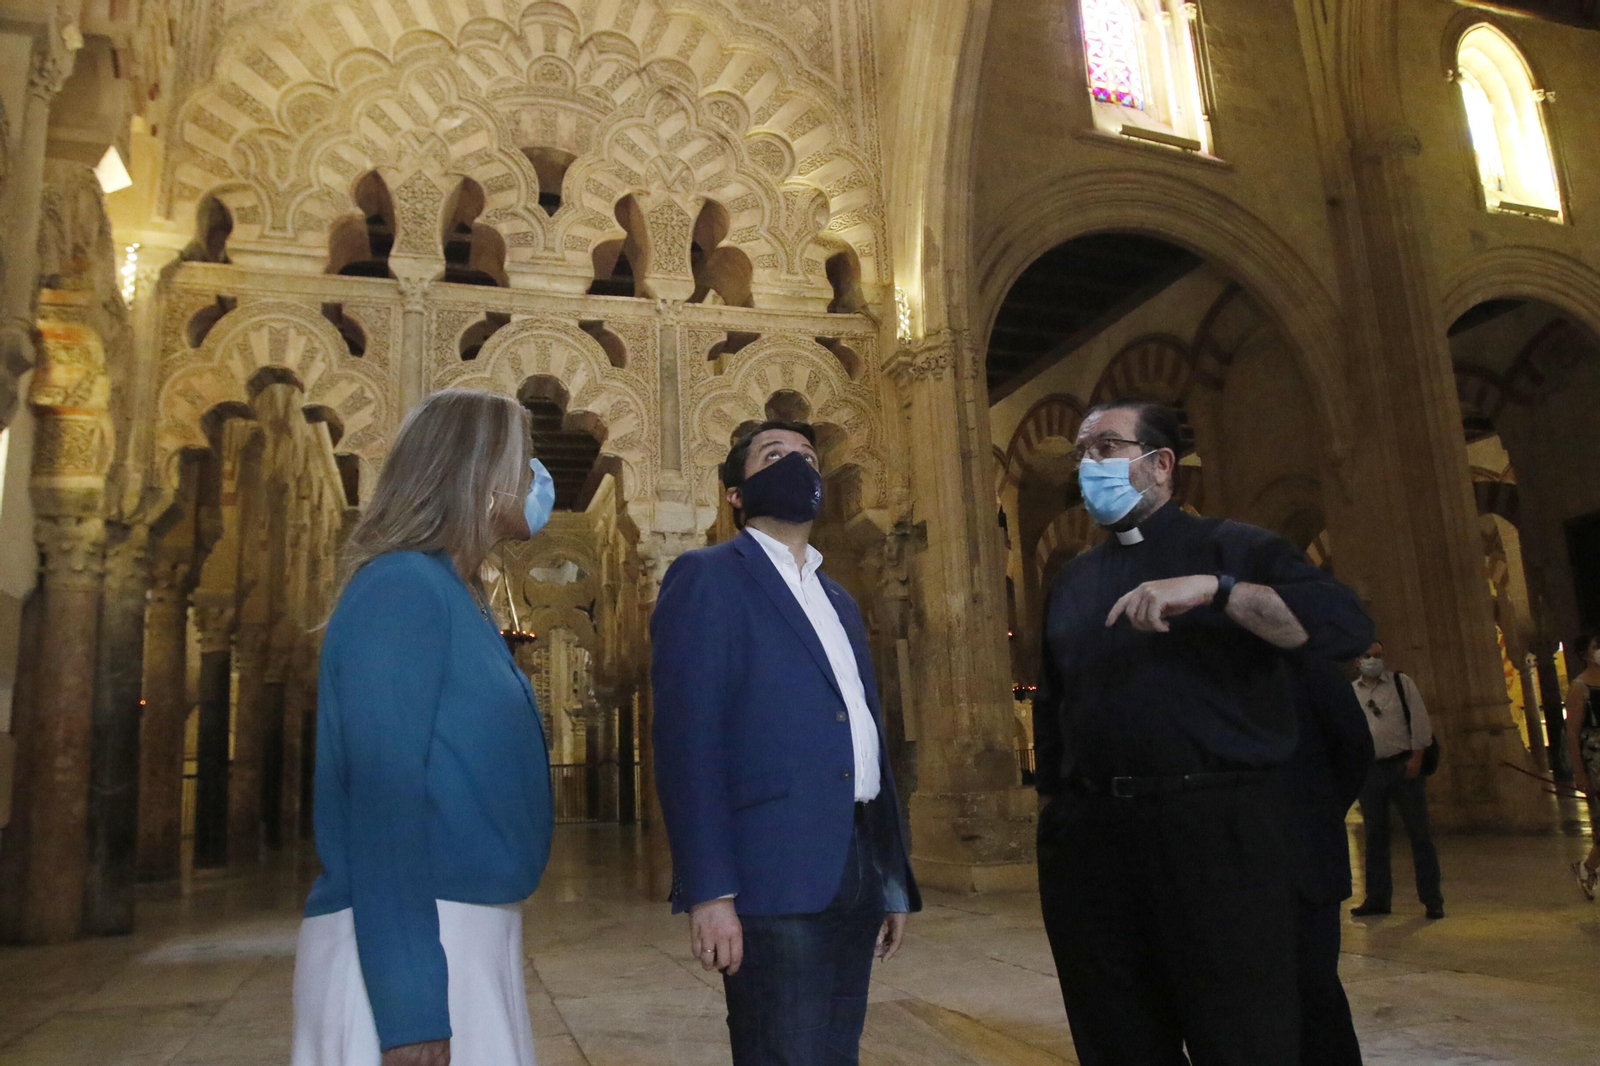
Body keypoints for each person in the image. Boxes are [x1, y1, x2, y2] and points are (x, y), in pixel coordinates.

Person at [1033, 399, 1373, 1066]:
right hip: (1097, 845)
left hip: (1218, 838)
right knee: (1119, 1037)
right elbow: (1055, 707)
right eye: (1081, 453)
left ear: (1161, 464)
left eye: (1105, 447)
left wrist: (1218, 591)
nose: (1088, 465)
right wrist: (1059, 819)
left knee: (1240, 1035)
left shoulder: (1235, 549)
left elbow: (1344, 625)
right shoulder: (1073, 581)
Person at [291, 389, 558, 1066]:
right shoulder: (401, 588)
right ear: (480, 475)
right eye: (524, 459)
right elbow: (384, 802)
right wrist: (409, 1004)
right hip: (416, 941)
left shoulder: (453, 595)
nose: (536, 477)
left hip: (467, 933)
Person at [651, 420, 920, 1066]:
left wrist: (889, 878)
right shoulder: (707, 576)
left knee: (835, 1052)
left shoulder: (838, 598)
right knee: (783, 1051)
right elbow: (688, 744)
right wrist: (710, 892)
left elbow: (864, 732)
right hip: (771, 874)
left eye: (807, 456)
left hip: (856, 864)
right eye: (774, 456)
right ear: (736, 493)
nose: (797, 465)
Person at [1281, 655, 1374, 1066]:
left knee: (1315, 987)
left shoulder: (1308, 668)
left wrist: (1319, 812)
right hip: (1239, 866)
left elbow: (1354, 748)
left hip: (1307, 858)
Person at [1350, 640, 1444, 920]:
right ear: (1357, 660)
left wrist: (1416, 757)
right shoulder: (1352, 692)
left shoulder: (1401, 684)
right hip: (1371, 770)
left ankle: (1432, 899)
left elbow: (1420, 721)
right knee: (1375, 836)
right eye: (1367, 655)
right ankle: (1377, 898)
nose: (1373, 660)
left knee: (1419, 834)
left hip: (1403, 766)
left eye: (1378, 655)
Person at [1564, 632, 1600, 900]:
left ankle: (1588, 868)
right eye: (1596, 646)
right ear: (1584, 654)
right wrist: (1578, 772)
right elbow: (1573, 732)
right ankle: (1588, 868)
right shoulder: (1579, 688)